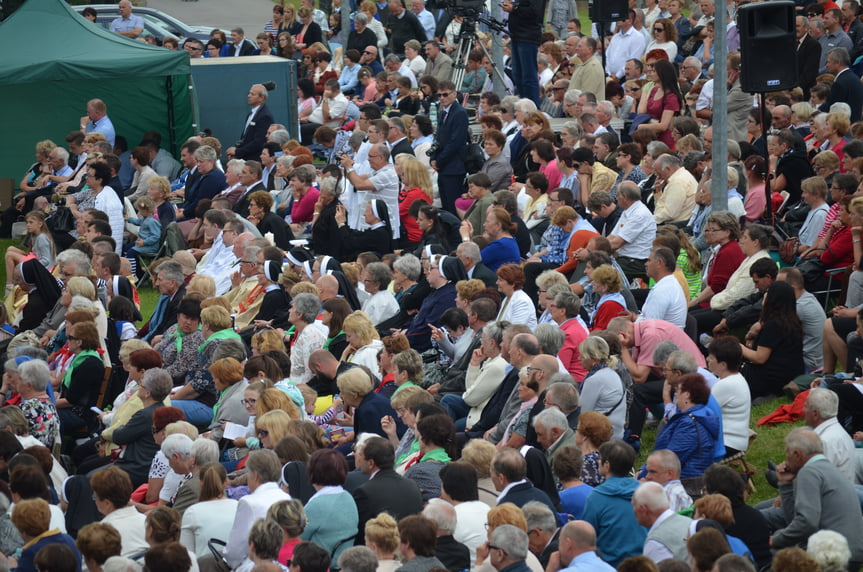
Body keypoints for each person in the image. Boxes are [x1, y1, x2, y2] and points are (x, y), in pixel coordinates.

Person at [770, 428, 863, 567]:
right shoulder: (827, 468)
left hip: (832, 556)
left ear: (797, 454)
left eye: (787, 453)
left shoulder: (809, 472)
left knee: (772, 554)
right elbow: (795, 521)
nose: (786, 459)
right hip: (850, 554)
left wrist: (775, 540)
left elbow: (807, 523)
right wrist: (785, 485)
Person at [581, 440, 646, 567]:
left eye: (601, 459)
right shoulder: (644, 492)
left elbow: (587, 537)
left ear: (607, 465)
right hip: (642, 564)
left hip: (607, 565)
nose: (598, 462)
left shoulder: (596, 497)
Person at [301, 449, 358, 563]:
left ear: (312, 472)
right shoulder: (348, 497)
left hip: (320, 565)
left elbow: (297, 537)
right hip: (343, 562)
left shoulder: (317, 505)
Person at [705, 338, 751, 456]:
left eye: (711, 358)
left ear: (723, 365)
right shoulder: (735, 378)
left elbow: (703, 411)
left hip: (727, 444)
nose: (707, 360)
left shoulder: (726, 384)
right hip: (734, 442)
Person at [430, 81, 469, 214]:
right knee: (445, 206)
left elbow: (455, 142)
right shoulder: (443, 113)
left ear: (453, 94)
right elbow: (439, 139)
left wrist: (439, 161)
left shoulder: (460, 113)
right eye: (439, 95)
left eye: (445, 95)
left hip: (454, 168)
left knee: (453, 208)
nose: (441, 98)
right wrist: (433, 158)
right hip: (444, 167)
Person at [577, 337, 626, 439]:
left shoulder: (594, 380)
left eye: (582, 356)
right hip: (617, 433)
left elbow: (583, 415)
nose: (579, 359)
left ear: (594, 360)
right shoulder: (613, 373)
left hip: (600, 437)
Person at [227, 85, 275, 161]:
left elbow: (259, 142)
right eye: (249, 93)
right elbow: (245, 139)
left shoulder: (265, 116)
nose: (249, 96)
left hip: (254, 161)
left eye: (253, 94)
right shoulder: (250, 115)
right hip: (245, 158)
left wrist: (237, 152)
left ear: (261, 98)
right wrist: (236, 153)